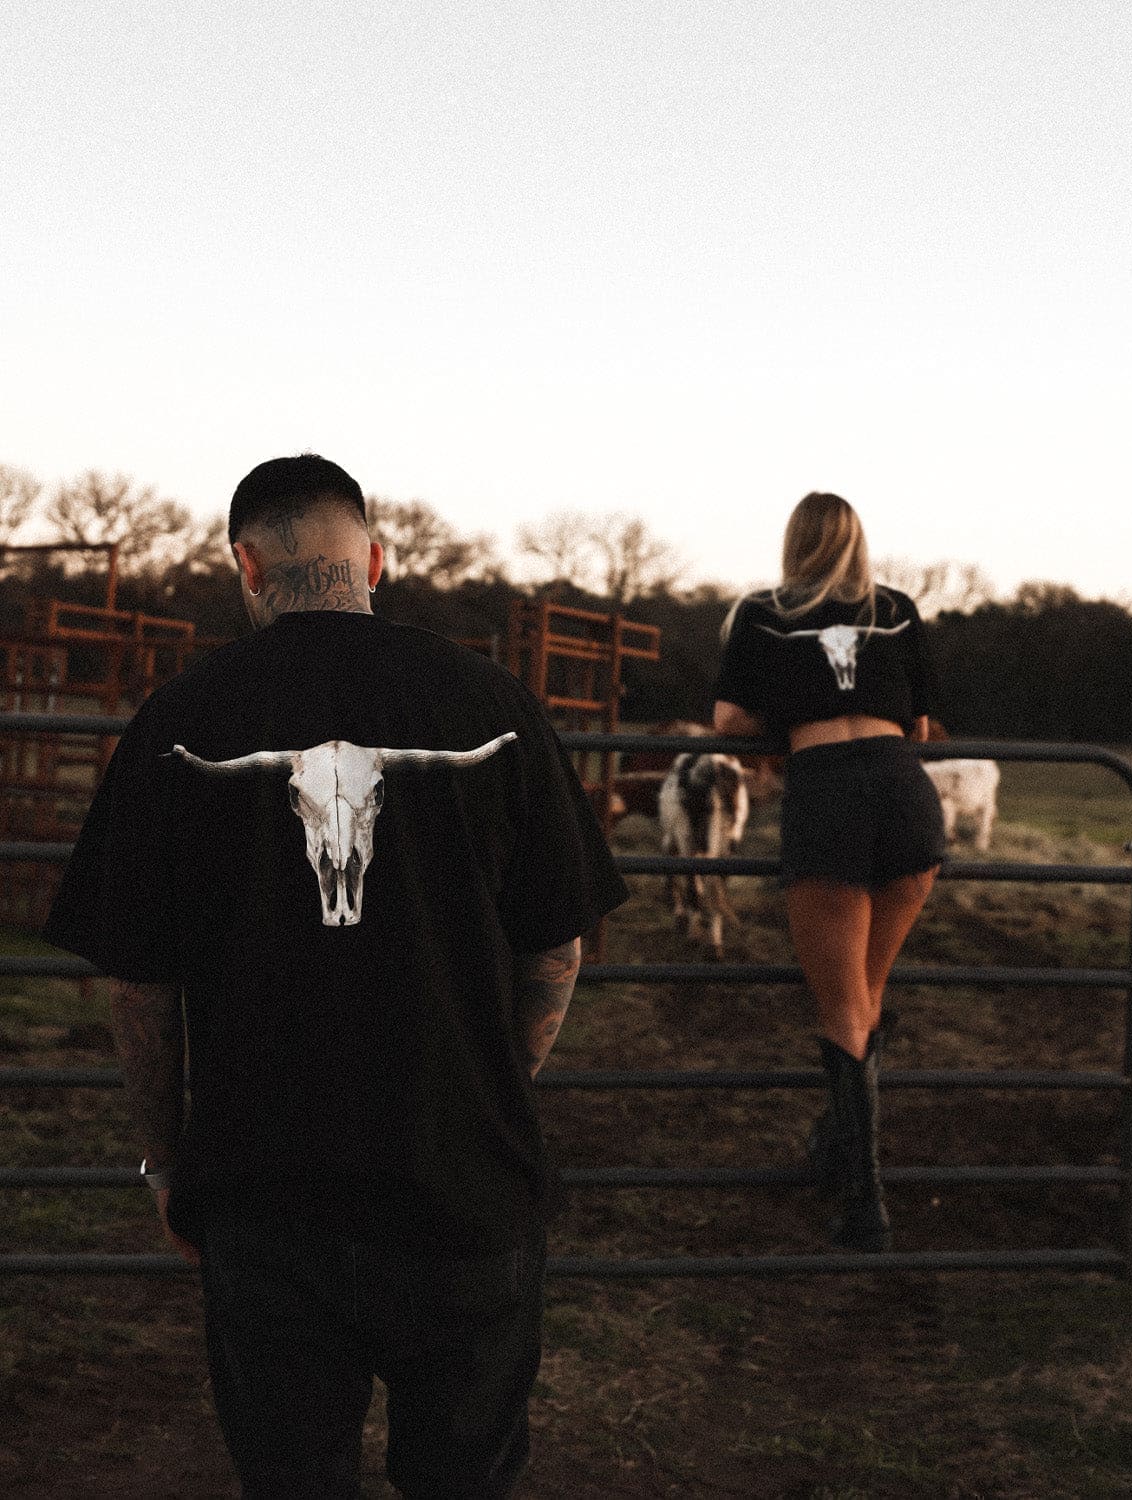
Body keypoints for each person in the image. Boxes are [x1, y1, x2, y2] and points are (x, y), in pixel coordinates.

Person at [41, 454, 628, 1499]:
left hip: (266, 1199)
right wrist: (487, 1085)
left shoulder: (180, 722)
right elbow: (555, 948)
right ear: (377, 560)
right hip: (463, 1192)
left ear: (246, 564)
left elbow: (139, 988)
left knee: (291, 1478)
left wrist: (167, 1164)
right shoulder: (491, 705)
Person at [711, 491, 943, 1253]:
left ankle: (865, 1200)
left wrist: (785, 715)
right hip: (905, 795)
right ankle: (839, 1140)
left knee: (844, 1009)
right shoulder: (897, 609)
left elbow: (729, 722)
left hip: (828, 795)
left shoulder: (762, 612)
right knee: (865, 997)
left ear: (795, 542)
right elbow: (919, 725)